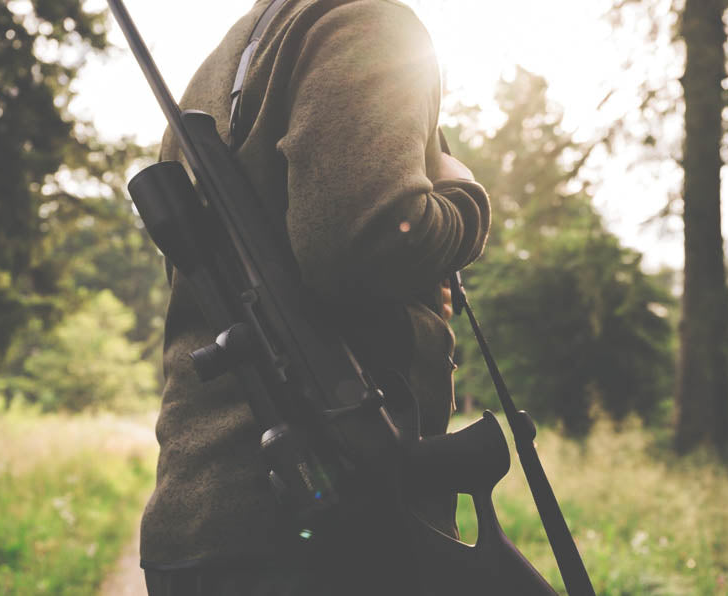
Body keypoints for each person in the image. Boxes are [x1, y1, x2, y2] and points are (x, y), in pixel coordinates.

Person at [139, 0, 491, 593]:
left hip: (198, 524)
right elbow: (361, 242)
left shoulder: (211, 71)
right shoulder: (369, 22)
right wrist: (466, 203)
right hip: (338, 529)